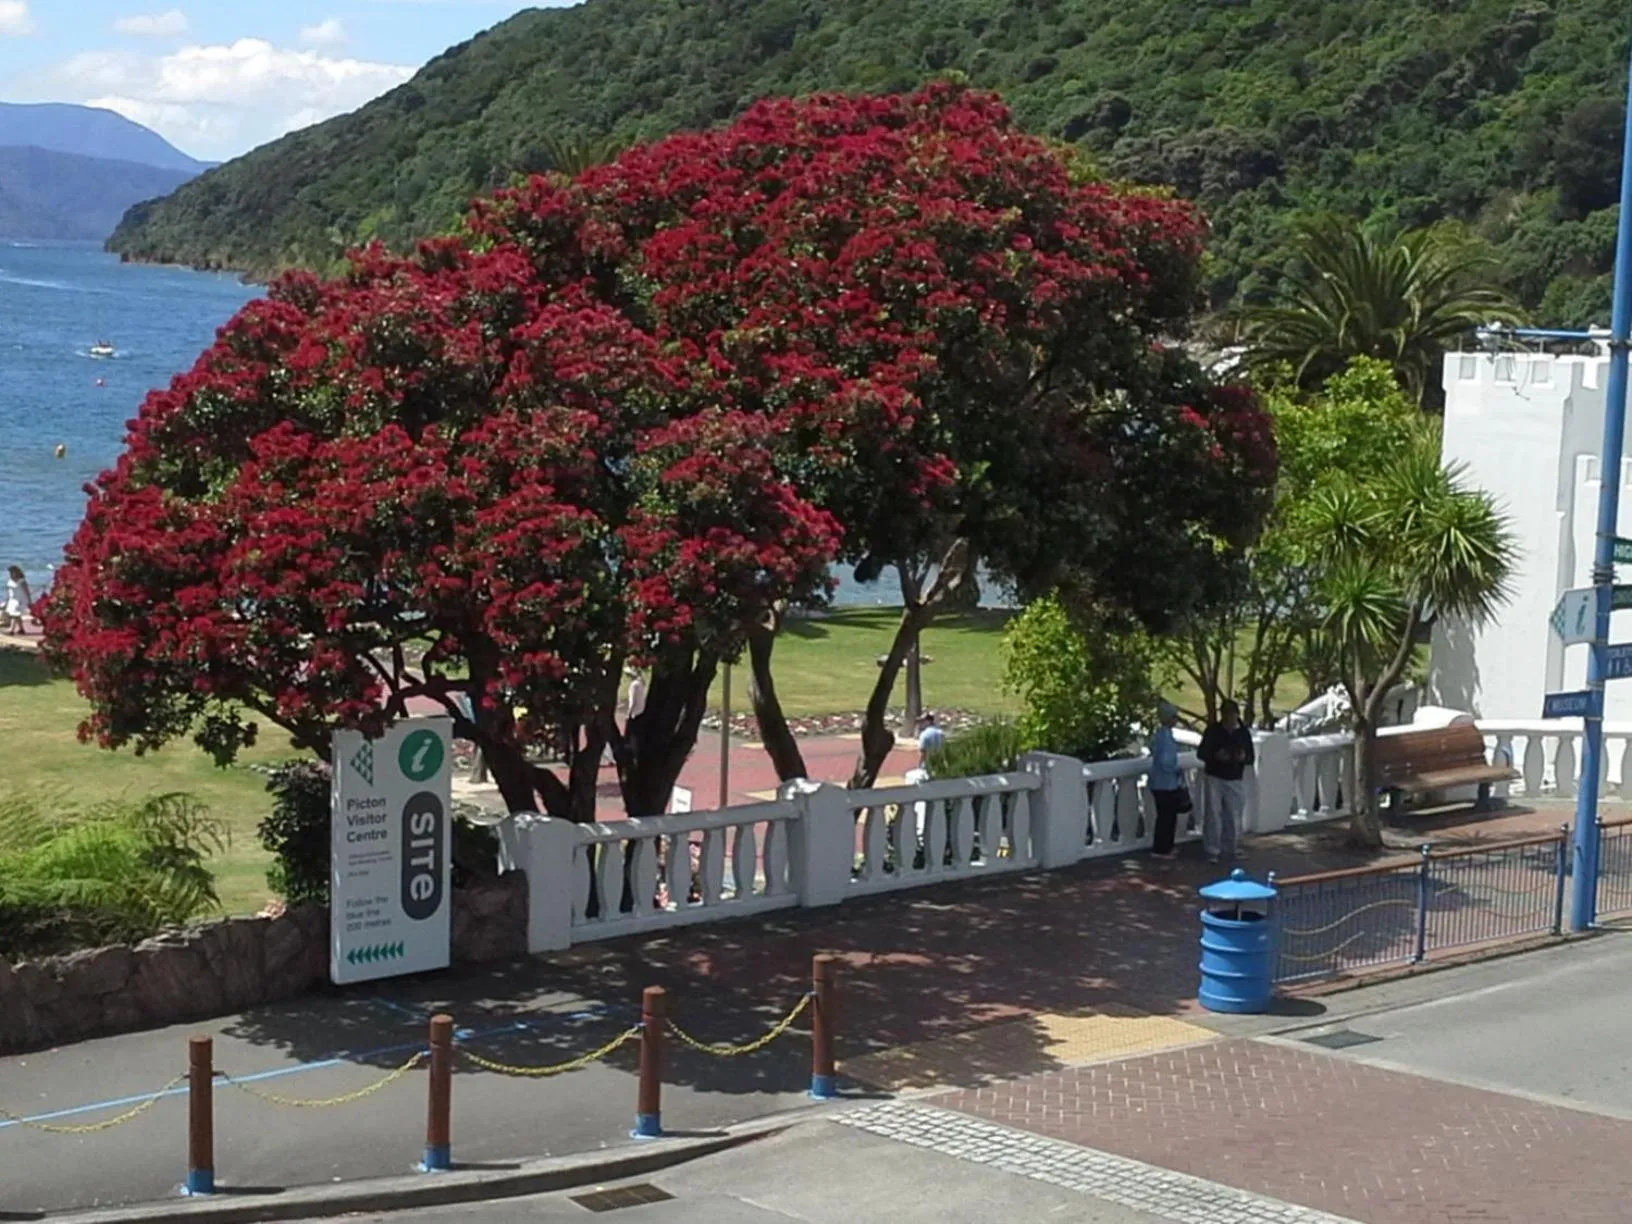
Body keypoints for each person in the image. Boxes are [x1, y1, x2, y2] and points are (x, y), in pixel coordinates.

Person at [1199, 699, 1254, 863]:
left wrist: (1243, 757)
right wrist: (1216, 756)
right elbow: (1201, 753)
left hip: (1234, 778)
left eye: (1232, 716)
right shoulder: (1213, 731)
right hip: (1214, 776)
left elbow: (1251, 758)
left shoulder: (1243, 733)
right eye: (1226, 717)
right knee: (1213, 814)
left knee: (1233, 815)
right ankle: (1212, 849)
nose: (1229, 720)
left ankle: (1232, 847)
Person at [1147, 701, 1186, 859]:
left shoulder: (1160, 735)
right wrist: (1175, 769)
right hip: (1165, 784)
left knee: (1166, 816)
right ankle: (1162, 849)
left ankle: (1164, 847)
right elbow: (1165, 761)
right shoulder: (1164, 737)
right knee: (1166, 817)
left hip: (1160, 783)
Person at [4, 566, 31, 635]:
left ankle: (11, 630)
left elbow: (27, 591)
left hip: (20, 600)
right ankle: (21, 629)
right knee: (16, 615)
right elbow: (9, 591)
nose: (11, 574)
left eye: (12, 572)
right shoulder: (10, 580)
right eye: (10, 573)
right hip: (12, 599)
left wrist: (29, 600)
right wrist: (7, 600)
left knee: (14, 614)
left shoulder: (21, 581)